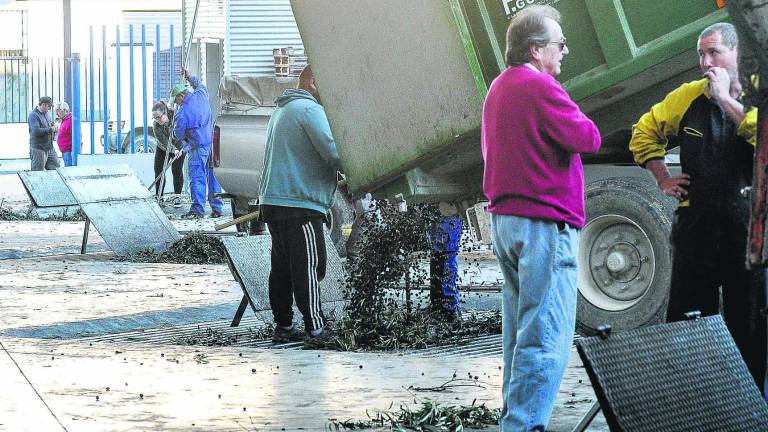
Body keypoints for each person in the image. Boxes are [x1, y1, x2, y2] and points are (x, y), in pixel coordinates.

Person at [629, 22, 767, 395]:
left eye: (714, 53)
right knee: (687, 329)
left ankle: (750, 406)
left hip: (749, 236)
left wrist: (725, 100)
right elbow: (643, 132)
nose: (706, 63)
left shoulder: (759, 94)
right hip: (697, 232)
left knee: (751, 330)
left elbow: (762, 136)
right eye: (701, 55)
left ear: (737, 53)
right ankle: (692, 402)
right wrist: (662, 176)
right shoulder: (688, 97)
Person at [481, 5, 601, 430]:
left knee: (519, 336)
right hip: (544, 224)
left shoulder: (499, 87)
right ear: (535, 49)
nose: (565, 51)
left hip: (508, 222)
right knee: (546, 335)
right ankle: (523, 426)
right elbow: (589, 136)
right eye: (559, 44)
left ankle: (514, 420)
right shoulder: (541, 87)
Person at [259, 65, 341, 347]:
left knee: (282, 268)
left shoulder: (283, 109)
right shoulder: (308, 110)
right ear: (314, 82)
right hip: (298, 204)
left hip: (274, 202)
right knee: (310, 266)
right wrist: (363, 167)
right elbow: (334, 152)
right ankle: (316, 329)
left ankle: (283, 326)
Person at [172, 69, 224, 219]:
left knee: (197, 178)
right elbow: (198, 83)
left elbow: (178, 134)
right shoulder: (201, 94)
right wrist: (189, 76)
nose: (176, 103)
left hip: (197, 148)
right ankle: (217, 208)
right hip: (212, 144)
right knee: (213, 176)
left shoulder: (182, 113)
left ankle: (197, 210)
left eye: (176, 100)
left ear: (181, 96)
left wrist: (179, 137)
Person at [152, 101, 185, 207]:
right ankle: (159, 196)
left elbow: (183, 133)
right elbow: (164, 141)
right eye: (154, 118)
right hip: (163, 148)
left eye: (158, 117)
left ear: (165, 112)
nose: (157, 120)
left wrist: (180, 148)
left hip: (179, 147)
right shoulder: (156, 125)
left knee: (177, 170)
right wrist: (173, 149)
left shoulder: (176, 117)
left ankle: (177, 196)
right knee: (159, 170)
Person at [428, 215, 463, 319]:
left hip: (449, 214)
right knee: (438, 255)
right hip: (439, 215)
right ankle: (438, 305)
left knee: (445, 253)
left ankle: (449, 308)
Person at [28, 96, 60, 171]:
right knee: (38, 172)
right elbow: (36, 131)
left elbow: (48, 124)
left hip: (49, 147)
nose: (49, 109)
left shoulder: (46, 114)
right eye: (49, 107)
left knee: (56, 168)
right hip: (38, 149)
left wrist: (52, 124)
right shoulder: (33, 115)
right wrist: (50, 129)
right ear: (43, 105)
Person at [54, 102, 73, 167]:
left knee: (69, 169)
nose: (56, 114)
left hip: (69, 151)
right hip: (65, 150)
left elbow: (75, 136)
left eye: (58, 111)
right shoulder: (65, 119)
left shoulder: (71, 120)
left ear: (64, 110)